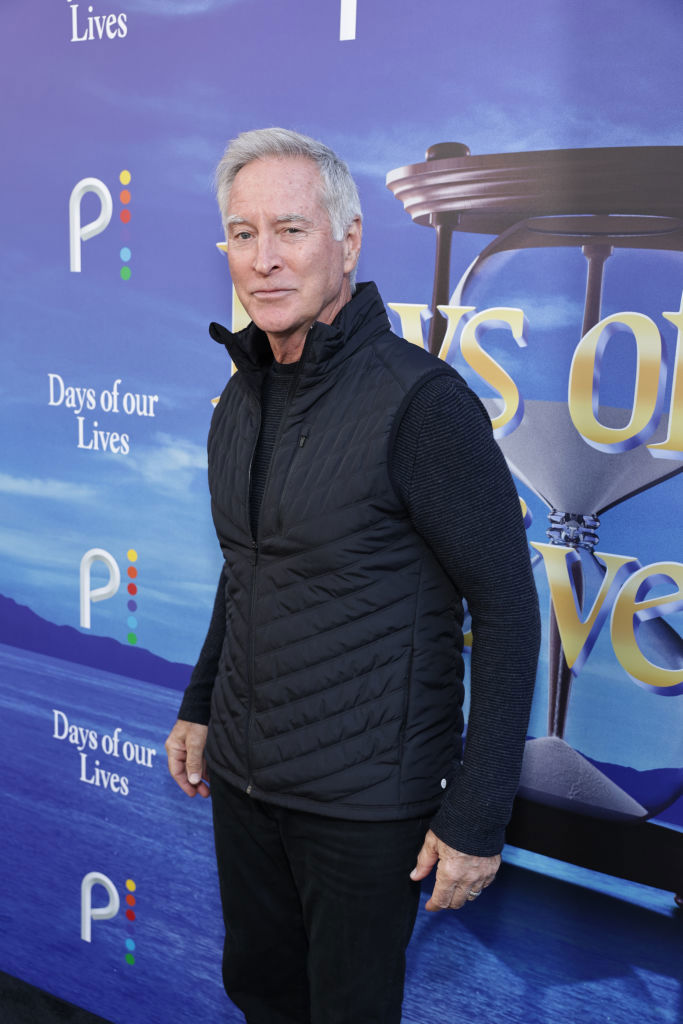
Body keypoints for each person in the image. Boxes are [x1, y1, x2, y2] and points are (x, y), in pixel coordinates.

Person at [165, 127, 540, 1024]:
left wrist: (477, 815)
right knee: (260, 994)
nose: (262, 260)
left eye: (289, 230)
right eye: (242, 234)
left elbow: (507, 607)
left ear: (349, 240)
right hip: (248, 784)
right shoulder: (242, 394)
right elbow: (248, 567)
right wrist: (200, 701)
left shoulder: (420, 403)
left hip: (367, 806)